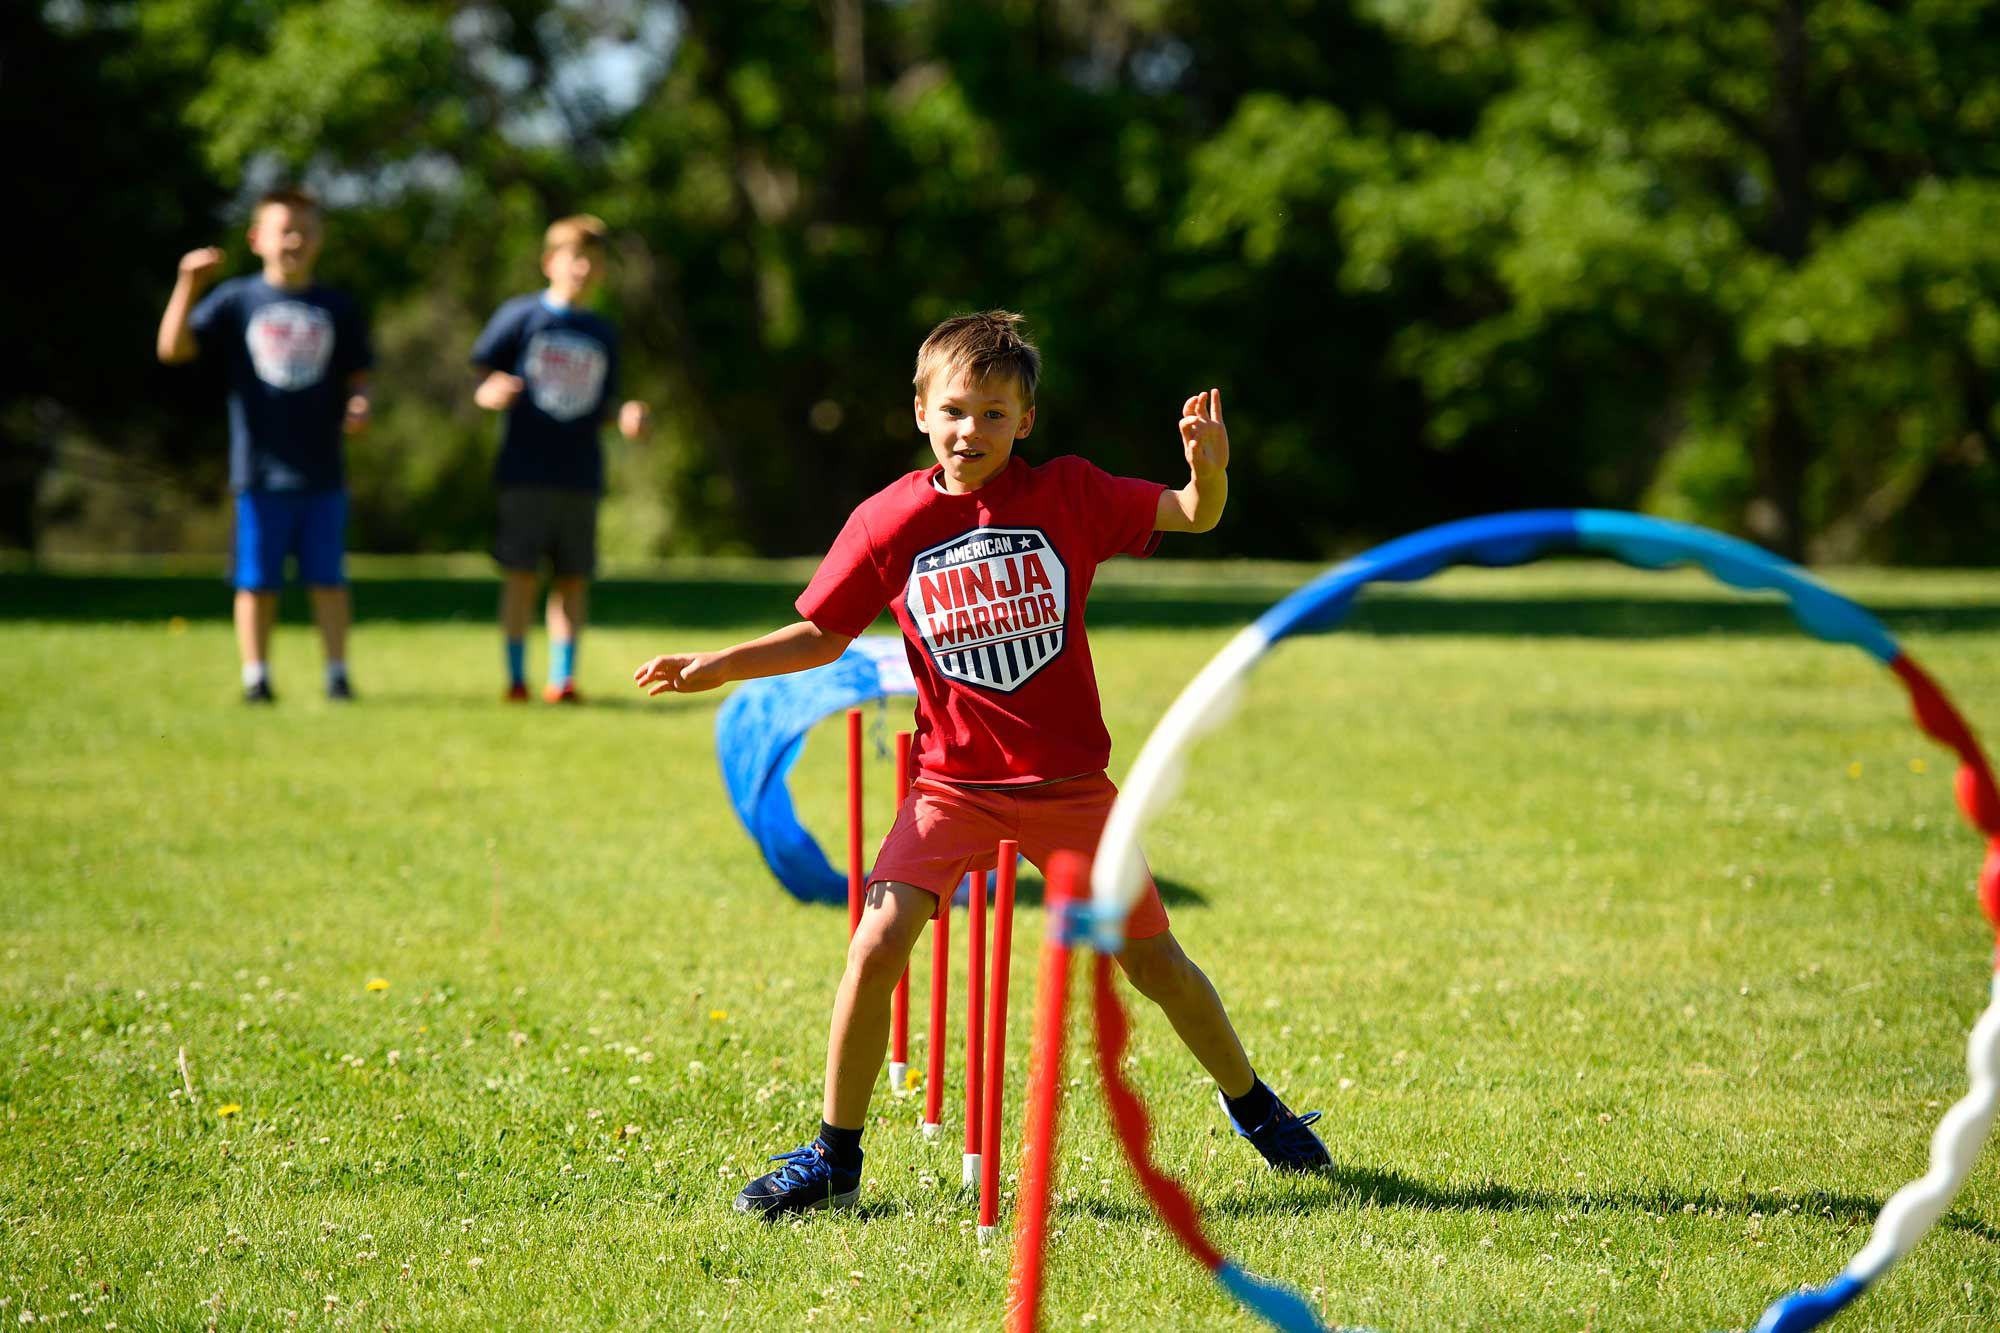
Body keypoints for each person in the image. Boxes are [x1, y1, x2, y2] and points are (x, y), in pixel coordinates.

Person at [634, 311, 1329, 1218]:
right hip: (948, 789)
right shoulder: (888, 520)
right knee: (874, 946)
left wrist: (1209, 468)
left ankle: (1257, 1108)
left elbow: (1193, 514)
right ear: (921, 410)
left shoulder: (1072, 494)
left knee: (1156, 965)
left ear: (1026, 422)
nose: (974, 431)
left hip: (1071, 791)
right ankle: (833, 1159)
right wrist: (716, 665)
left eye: (996, 414)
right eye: (956, 410)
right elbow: (822, 631)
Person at [156, 188, 373, 703]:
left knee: (328, 579)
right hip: (258, 469)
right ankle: (257, 677)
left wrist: (360, 403)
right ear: (258, 239)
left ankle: (337, 675)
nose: (294, 239)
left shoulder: (336, 307)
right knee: (256, 581)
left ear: (320, 240)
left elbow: (359, 376)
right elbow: (173, 348)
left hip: (322, 469)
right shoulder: (237, 300)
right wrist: (188, 285)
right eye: (284, 229)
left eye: (305, 230)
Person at [472, 214, 649, 704]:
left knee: (572, 579)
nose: (583, 269)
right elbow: (481, 373)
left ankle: (563, 678)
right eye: (574, 258)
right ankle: (515, 677)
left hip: (579, 473)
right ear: (550, 262)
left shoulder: (601, 332)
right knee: (521, 575)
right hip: (525, 470)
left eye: (593, 261)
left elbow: (602, 406)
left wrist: (626, 417)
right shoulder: (521, 316)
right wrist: (487, 391)